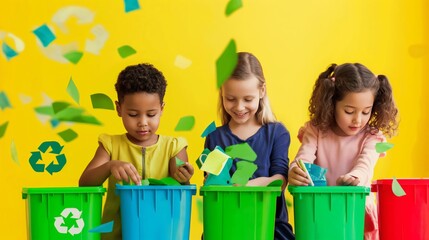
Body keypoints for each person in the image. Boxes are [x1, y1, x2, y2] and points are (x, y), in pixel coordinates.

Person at [79, 63, 194, 240]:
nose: (143, 122)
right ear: (119, 109)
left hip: (162, 234)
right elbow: (85, 183)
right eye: (133, 114)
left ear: (162, 109)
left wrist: (184, 177)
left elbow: (180, 191)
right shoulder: (110, 145)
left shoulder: (174, 147)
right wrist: (110, 165)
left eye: (151, 114)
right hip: (115, 235)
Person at [288, 63, 399, 240]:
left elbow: (365, 164)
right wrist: (296, 170)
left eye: (366, 112)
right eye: (349, 111)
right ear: (331, 104)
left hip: (357, 214)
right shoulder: (316, 131)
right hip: (321, 212)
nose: (358, 120)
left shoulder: (372, 137)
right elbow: (304, 157)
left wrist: (356, 177)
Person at [205, 52, 295, 240]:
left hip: (271, 227)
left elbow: (280, 179)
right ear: (221, 91)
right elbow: (213, 186)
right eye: (231, 99)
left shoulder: (277, 133)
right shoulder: (215, 137)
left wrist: (245, 186)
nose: (239, 107)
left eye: (247, 99)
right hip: (228, 224)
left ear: (262, 91)